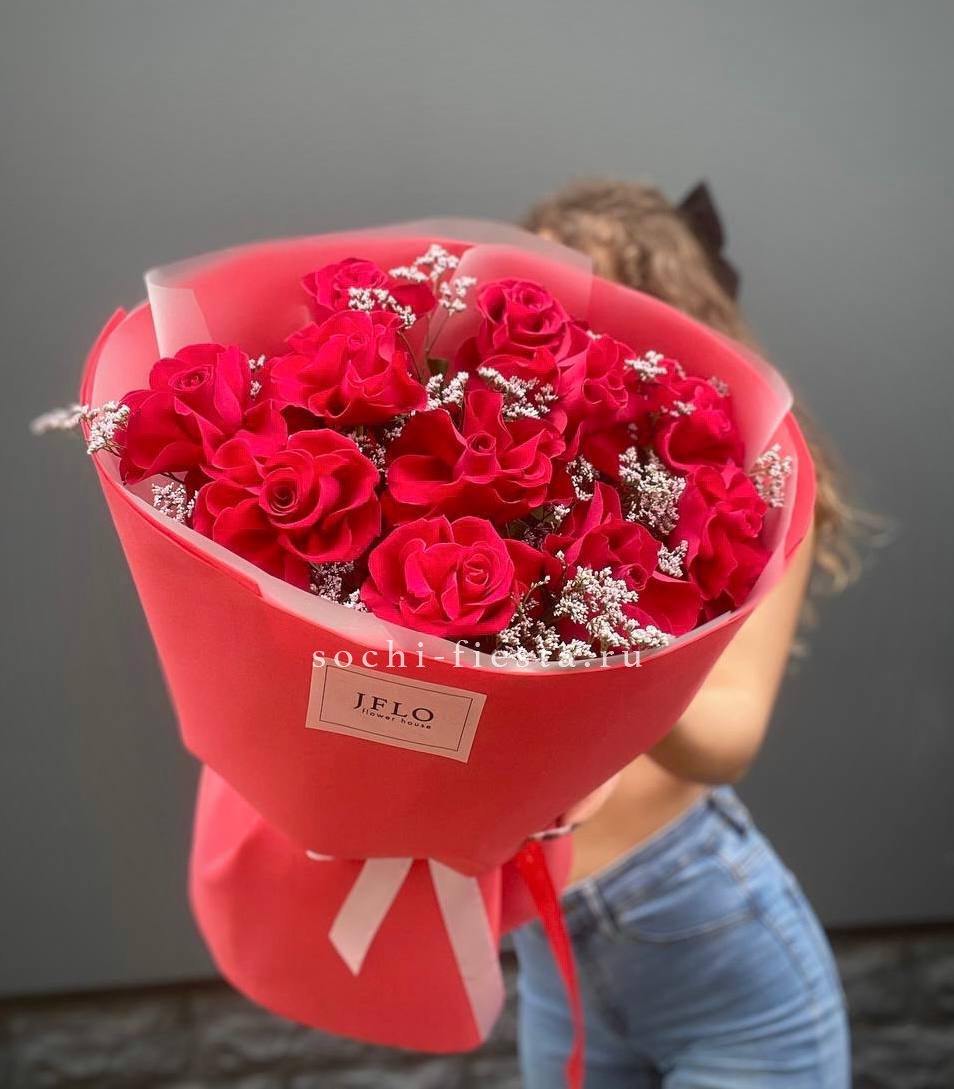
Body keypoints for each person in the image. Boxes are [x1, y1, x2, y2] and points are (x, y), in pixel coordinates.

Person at [512, 179, 862, 1089]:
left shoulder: (755, 482)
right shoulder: (504, 462)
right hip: (554, 952)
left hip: (709, 941)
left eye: (593, 295)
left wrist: (599, 635)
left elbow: (728, 737)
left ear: (673, 312)